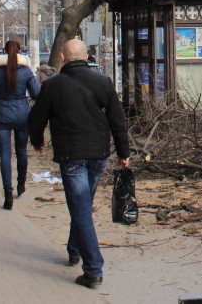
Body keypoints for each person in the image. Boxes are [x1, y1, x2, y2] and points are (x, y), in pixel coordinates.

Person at [28, 39, 130, 290]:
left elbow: (36, 118)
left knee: (81, 209)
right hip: (98, 154)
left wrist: (37, 140)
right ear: (86, 58)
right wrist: (123, 153)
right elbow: (118, 120)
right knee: (83, 206)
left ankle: (93, 269)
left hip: (71, 156)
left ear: (63, 58)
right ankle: (74, 250)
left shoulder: (52, 86)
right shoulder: (103, 82)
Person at [0, 40, 40, 210]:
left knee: (5, 154)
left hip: (1, 115)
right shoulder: (26, 71)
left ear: (3, 52)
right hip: (22, 115)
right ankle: (21, 184)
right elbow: (36, 94)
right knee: (22, 151)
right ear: (19, 52)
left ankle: (7, 192)